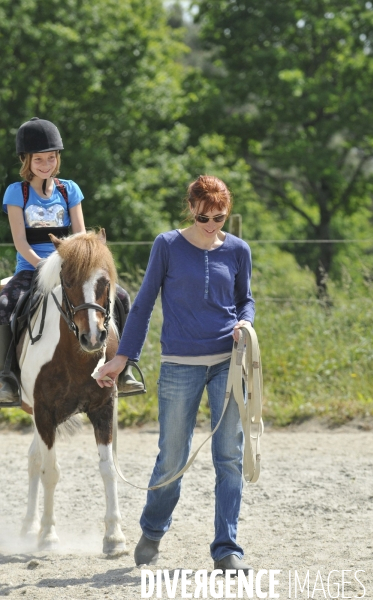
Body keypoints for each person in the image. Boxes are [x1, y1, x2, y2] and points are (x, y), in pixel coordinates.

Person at [96, 174, 255, 574]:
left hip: (228, 362)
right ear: (191, 208)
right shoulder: (166, 245)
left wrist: (244, 325)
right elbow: (145, 302)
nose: (211, 224)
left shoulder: (238, 250)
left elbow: (245, 300)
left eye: (220, 217)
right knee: (172, 458)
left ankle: (226, 549)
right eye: (204, 216)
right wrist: (122, 359)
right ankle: (152, 529)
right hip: (180, 364)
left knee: (229, 458)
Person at [0, 117, 143, 405]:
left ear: (57, 158)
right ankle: (7, 377)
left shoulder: (69, 190)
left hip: (73, 271)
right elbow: (21, 242)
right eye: (38, 159)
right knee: (4, 304)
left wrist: (77, 266)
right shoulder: (17, 192)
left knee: (123, 298)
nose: (45, 164)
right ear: (27, 160)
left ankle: (126, 368)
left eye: (50, 158)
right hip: (33, 269)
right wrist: (45, 267)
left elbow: (80, 235)